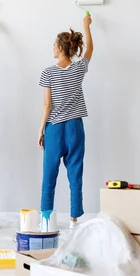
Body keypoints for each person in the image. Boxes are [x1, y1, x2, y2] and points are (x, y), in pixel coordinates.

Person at [38, 14, 94, 230]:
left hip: (54, 129)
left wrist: (41, 130)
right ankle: (73, 220)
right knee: (75, 172)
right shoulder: (79, 69)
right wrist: (86, 26)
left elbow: (46, 105)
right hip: (75, 128)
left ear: (60, 48)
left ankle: (46, 221)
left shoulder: (48, 73)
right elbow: (89, 49)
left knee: (49, 175)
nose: (52, 48)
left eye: (54, 45)